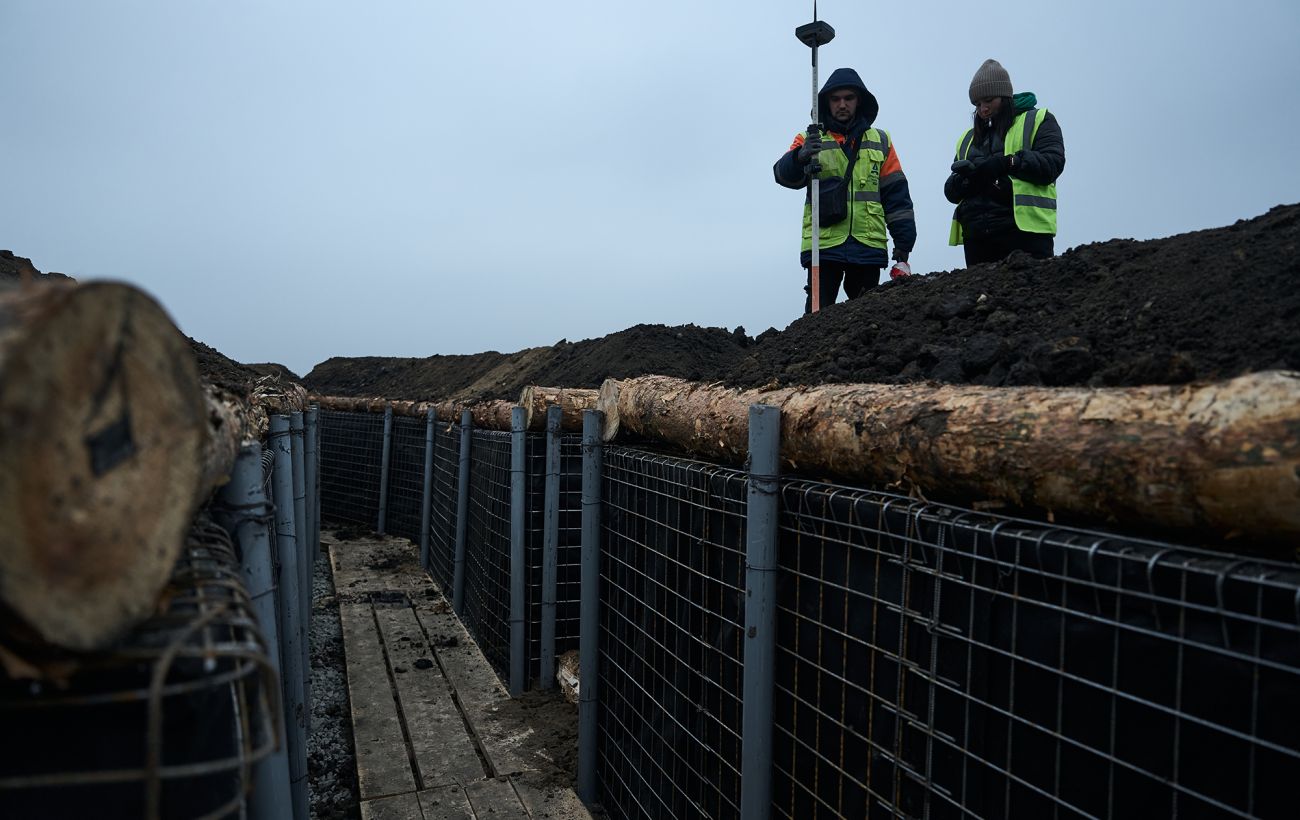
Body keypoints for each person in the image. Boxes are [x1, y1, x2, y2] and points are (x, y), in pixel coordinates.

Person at [774, 68, 916, 313]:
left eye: (848, 98)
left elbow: (896, 194)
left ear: (859, 101)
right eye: (835, 99)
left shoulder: (881, 140)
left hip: (867, 243)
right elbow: (782, 175)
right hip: (824, 245)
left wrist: (904, 243)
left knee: (866, 319)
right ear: (826, 102)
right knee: (817, 318)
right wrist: (800, 156)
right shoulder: (809, 138)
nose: (842, 104)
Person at [945, 58, 1065, 266]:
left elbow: (1052, 164)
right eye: (977, 104)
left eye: (988, 100)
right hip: (977, 239)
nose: (983, 109)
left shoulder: (1038, 120)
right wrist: (965, 181)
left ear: (1005, 96)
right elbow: (951, 191)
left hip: (1026, 236)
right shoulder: (967, 138)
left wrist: (1009, 162)